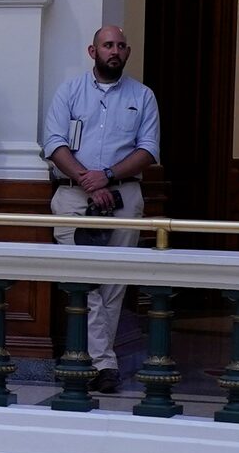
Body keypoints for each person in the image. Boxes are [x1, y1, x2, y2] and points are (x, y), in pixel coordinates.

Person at [43, 26, 161, 394]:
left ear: (128, 53)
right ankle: (101, 361)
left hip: (124, 197)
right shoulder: (69, 92)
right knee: (86, 282)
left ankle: (99, 362)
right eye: (108, 45)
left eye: (121, 46)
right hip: (73, 198)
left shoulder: (143, 96)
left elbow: (148, 149)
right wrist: (86, 180)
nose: (115, 51)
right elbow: (54, 142)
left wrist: (107, 177)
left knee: (113, 282)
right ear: (92, 50)